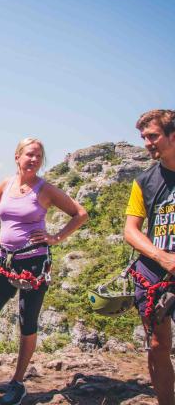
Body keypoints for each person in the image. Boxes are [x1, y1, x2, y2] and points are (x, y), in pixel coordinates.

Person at [0, 138, 87, 405]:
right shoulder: (6, 184)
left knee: (27, 322)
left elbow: (79, 213)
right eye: (29, 154)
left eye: (38, 156)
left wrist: (56, 237)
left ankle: (18, 382)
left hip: (33, 264)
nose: (33, 159)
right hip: (4, 261)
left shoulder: (45, 189)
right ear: (17, 157)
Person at [124, 110, 175, 405]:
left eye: (153, 136)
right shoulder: (144, 181)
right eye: (143, 137)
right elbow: (131, 230)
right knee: (157, 345)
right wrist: (162, 256)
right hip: (156, 272)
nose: (146, 143)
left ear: (172, 135)